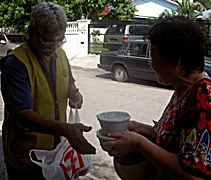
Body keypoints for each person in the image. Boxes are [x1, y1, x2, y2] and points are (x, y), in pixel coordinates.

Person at [102, 16, 211, 179]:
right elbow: (178, 142)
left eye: (153, 56)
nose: (151, 64)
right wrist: (145, 131)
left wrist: (139, 144)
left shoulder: (204, 98)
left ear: (176, 62)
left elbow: (195, 175)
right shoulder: (183, 89)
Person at [1, 2, 96, 180]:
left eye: (60, 40)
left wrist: (74, 93)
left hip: (55, 152)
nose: (54, 46)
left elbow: (69, 83)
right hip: (27, 157)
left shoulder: (61, 54)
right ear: (31, 32)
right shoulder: (15, 64)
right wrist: (67, 129)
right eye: (47, 40)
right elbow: (22, 113)